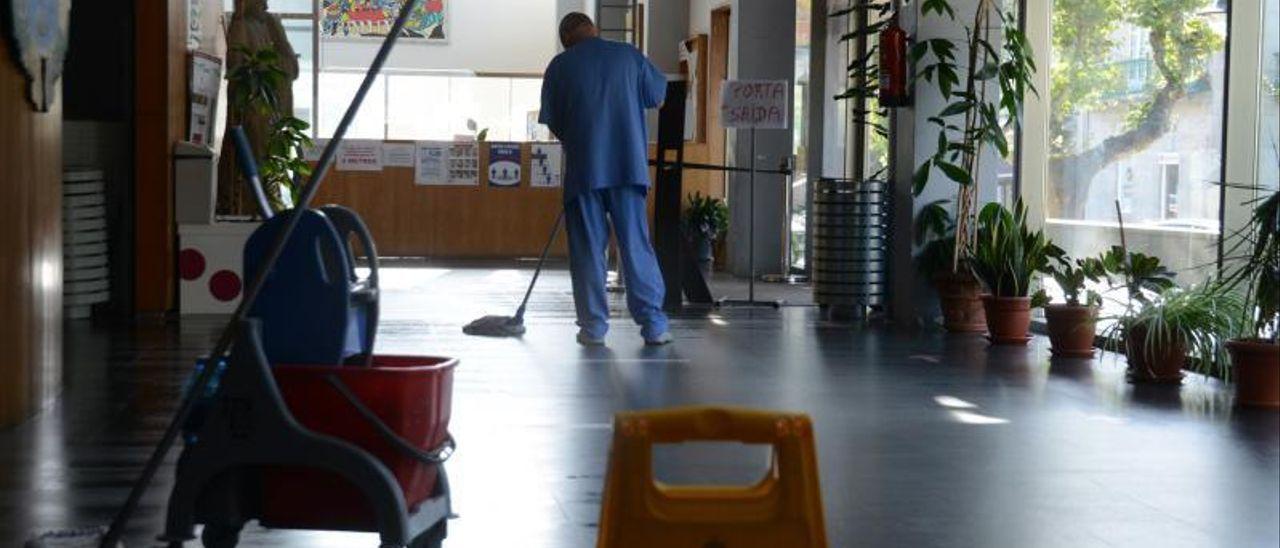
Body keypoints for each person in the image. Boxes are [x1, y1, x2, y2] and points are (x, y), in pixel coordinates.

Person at [539, 13, 672, 347]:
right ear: (593, 30)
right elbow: (659, 97)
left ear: (566, 37)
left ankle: (593, 327)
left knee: (586, 251)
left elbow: (554, 123)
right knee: (635, 246)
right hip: (628, 168)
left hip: (585, 172)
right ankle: (654, 325)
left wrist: (583, 139)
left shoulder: (560, 66)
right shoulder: (629, 55)